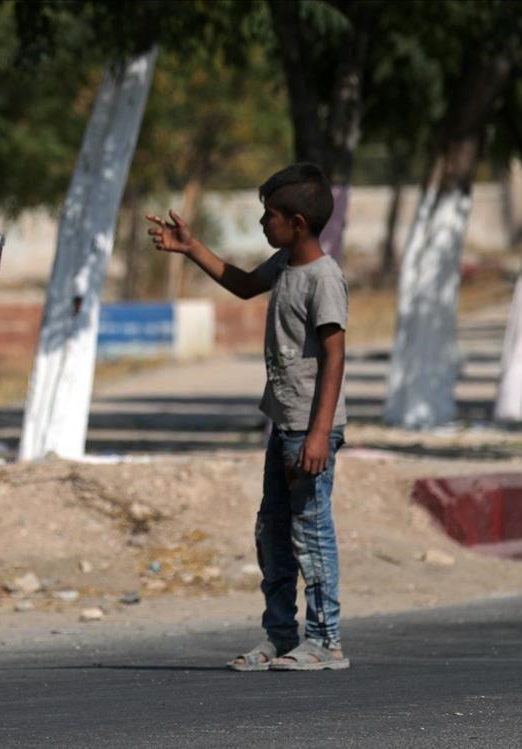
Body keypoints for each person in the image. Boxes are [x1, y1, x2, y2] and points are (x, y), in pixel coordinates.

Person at [146, 162, 350, 671]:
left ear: (298, 221)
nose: (263, 224)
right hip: (285, 424)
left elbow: (335, 355)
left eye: (270, 215)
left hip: (310, 429)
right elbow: (240, 284)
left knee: (311, 532)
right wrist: (191, 249)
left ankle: (325, 640)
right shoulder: (285, 264)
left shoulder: (324, 279)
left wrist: (320, 433)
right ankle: (280, 634)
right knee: (272, 531)